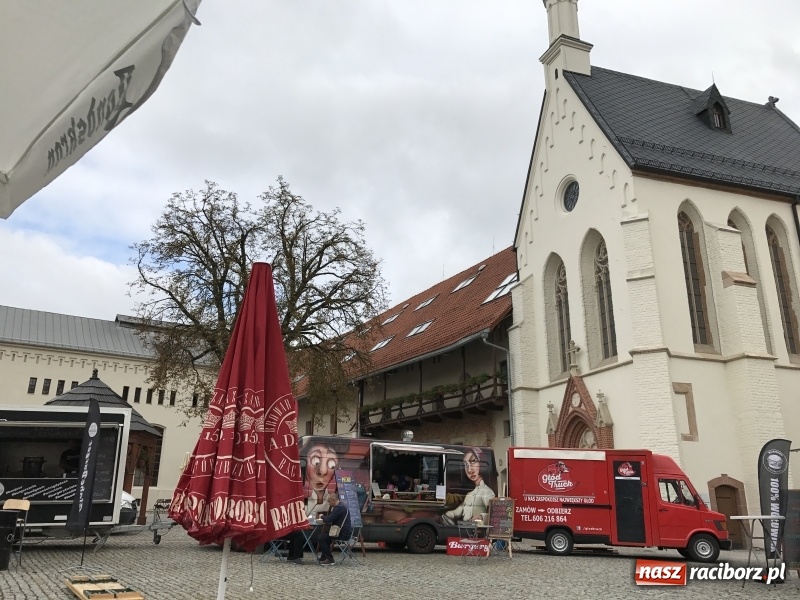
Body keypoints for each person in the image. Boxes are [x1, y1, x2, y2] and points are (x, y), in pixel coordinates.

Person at [441, 447, 496, 525]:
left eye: (473, 461)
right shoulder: (469, 494)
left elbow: (495, 514)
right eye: (466, 464)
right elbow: (459, 511)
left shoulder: (486, 491)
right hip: (466, 529)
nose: (469, 470)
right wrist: (449, 514)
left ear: (482, 463)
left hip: (477, 531)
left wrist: (481, 517)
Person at [300, 438, 349, 516]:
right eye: (315, 461)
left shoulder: (336, 497)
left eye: (331, 464)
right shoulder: (300, 493)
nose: (322, 471)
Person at [317, 492, 352, 566]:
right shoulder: (341, 506)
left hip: (343, 533)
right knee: (325, 536)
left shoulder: (339, 508)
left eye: (329, 501)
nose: (329, 503)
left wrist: (322, 516)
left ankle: (330, 559)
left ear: (333, 499)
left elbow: (329, 519)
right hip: (343, 531)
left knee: (321, 538)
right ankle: (324, 557)